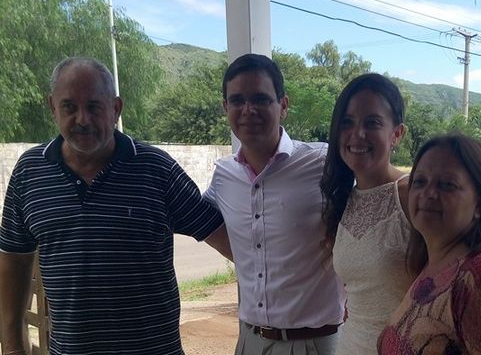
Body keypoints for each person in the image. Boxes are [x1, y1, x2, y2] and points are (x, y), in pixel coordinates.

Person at [0, 57, 231, 355]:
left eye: (94, 106)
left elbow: (226, 238)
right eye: (69, 106)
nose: (82, 119)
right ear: (52, 108)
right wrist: (14, 348)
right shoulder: (29, 172)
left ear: (116, 109)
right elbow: (14, 261)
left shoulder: (157, 170)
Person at [320, 73, 481, 354]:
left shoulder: (414, 199)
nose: (358, 134)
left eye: (372, 123)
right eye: (347, 122)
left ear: (397, 133)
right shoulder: (344, 198)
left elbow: (480, 260)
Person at [203, 53, 345, 355]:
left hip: (316, 343)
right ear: (225, 107)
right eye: (237, 100)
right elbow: (201, 221)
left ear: (283, 105)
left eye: (261, 99)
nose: (248, 110)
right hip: (249, 341)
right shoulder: (224, 176)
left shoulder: (323, 162)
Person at [378, 133, 481, 354]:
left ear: (480, 204)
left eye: (447, 185)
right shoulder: (436, 263)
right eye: (419, 181)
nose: (428, 193)